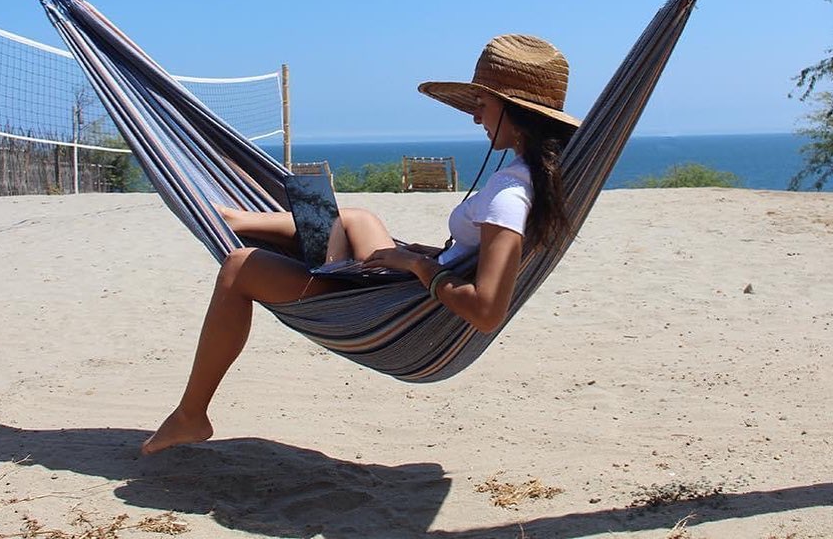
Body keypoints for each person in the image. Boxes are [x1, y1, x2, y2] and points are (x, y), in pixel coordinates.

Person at [141, 34, 580, 455]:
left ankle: (192, 414)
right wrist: (432, 255)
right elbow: (481, 252)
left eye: (482, 106)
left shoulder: (508, 195)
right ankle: (239, 218)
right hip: (408, 284)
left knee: (239, 266)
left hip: (400, 309)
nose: (474, 117)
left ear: (512, 110)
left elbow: (485, 311)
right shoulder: (532, 177)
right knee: (358, 219)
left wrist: (419, 267)